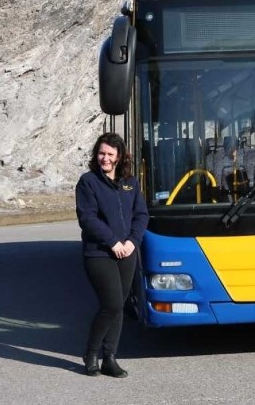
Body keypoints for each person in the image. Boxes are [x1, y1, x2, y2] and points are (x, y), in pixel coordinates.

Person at [75, 132, 149, 378]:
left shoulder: (130, 182)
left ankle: (109, 358)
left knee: (119, 306)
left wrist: (132, 241)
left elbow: (141, 215)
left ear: (119, 157)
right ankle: (90, 353)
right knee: (112, 304)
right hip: (99, 254)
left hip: (127, 252)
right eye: (101, 153)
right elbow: (87, 218)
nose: (104, 158)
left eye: (109, 154)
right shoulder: (88, 182)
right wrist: (113, 242)